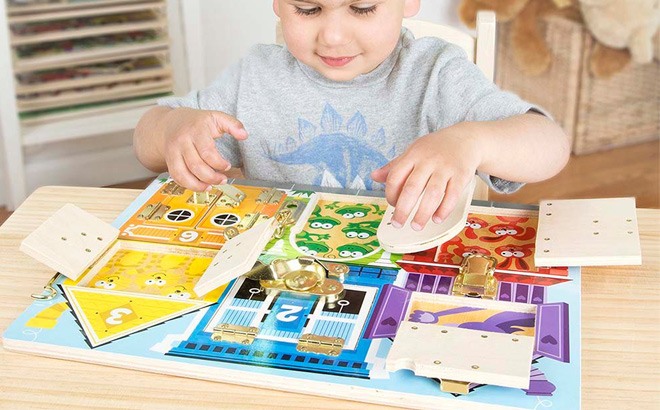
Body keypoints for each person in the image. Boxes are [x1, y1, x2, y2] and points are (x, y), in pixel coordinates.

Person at [133, 0, 570, 232]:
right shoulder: (256, 75)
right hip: (283, 266)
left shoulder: (436, 71)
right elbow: (146, 143)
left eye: (362, 8)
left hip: (410, 261)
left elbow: (549, 143)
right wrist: (172, 127)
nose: (333, 36)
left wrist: (470, 141)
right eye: (308, 9)